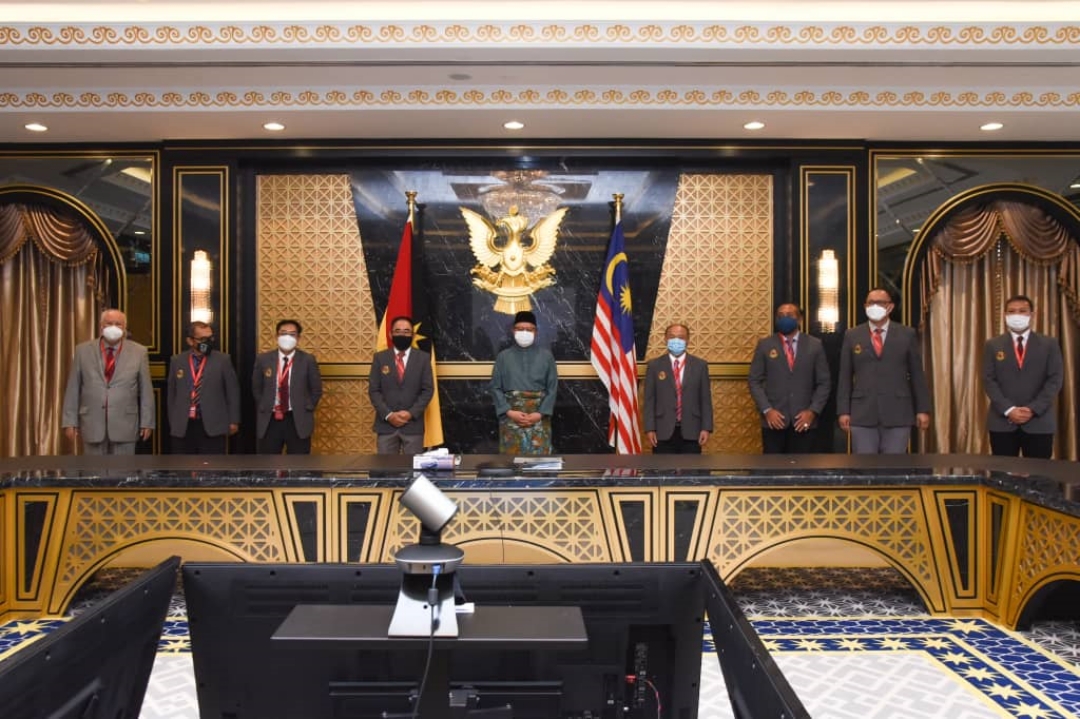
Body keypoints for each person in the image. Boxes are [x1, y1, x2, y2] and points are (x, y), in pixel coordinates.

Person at [837, 288, 931, 454]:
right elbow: (844, 376)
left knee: (894, 468)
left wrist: (922, 409)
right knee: (865, 468)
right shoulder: (852, 335)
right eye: (870, 303)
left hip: (898, 412)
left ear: (890, 307)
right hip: (863, 413)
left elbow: (917, 375)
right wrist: (843, 411)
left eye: (880, 303)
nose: (874, 306)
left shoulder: (906, 334)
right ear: (865, 306)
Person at [61, 308, 154, 455]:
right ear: (101, 326)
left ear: (124, 328)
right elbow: (73, 387)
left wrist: (147, 422)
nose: (114, 327)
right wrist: (69, 421)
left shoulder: (139, 352)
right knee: (94, 473)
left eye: (118, 324)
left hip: (125, 424)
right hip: (92, 422)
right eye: (109, 323)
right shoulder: (82, 350)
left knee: (123, 472)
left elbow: (146, 390)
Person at [982, 294, 1063, 459]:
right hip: (1002, 423)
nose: (1016, 315)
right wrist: (1009, 409)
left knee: (1038, 478)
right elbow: (988, 380)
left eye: (1022, 311)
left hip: (1039, 423)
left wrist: (1033, 409)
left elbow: (1054, 379)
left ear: (1032, 315)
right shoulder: (992, 345)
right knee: (1003, 478)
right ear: (1005, 315)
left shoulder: (1050, 344)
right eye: (1011, 311)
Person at [748, 304, 831, 454]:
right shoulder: (765, 345)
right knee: (773, 470)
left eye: (790, 314)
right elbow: (754, 381)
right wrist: (767, 410)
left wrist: (812, 411)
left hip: (804, 421)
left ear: (799, 319)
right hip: (774, 421)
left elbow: (824, 383)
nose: (785, 318)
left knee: (802, 470)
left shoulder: (815, 345)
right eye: (781, 315)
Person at [489, 310, 558, 454]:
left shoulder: (546, 357)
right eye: (520, 329)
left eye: (529, 329)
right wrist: (508, 411)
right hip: (511, 418)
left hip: (539, 418)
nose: (524, 332)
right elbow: (495, 387)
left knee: (539, 464)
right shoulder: (503, 357)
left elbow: (552, 388)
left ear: (536, 332)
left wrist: (539, 414)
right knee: (511, 464)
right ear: (513, 330)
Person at [166, 321, 240, 454]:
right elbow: (172, 393)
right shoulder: (177, 361)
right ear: (190, 341)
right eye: (203, 339)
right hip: (184, 425)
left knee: (213, 469)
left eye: (210, 338)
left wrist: (234, 420)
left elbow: (232, 392)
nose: (208, 342)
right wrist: (174, 420)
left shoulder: (223, 360)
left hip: (213, 424)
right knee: (183, 468)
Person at [252, 319, 323, 454]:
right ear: (276, 336)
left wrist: (308, 407)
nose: (287, 337)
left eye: (292, 334)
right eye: (283, 333)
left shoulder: (308, 360)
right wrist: (264, 405)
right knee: (268, 465)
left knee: (298, 465)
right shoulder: (263, 359)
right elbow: (256, 387)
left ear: (298, 338)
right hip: (270, 419)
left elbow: (316, 389)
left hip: (297, 419)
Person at [369, 316, 435, 455]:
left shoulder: (423, 358)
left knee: (413, 470)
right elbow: (374, 390)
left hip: (412, 426)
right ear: (390, 334)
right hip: (386, 426)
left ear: (413, 335)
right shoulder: (380, 358)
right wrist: (388, 415)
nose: (402, 334)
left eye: (406, 331)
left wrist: (410, 413)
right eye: (398, 331)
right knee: (386, 471)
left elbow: (427, 390)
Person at [643, 323, 713, 454]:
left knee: (690, 472)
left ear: (687, 340)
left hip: (692, 430)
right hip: (662, 430)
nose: (676, 340)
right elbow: (649, 401)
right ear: (665, 339)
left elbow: (705, 400)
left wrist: (706, 428)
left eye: (681, 337)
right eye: (672, 336)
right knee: (663, 472)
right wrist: (649, 428)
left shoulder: (700, 365)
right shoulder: (654, 366)